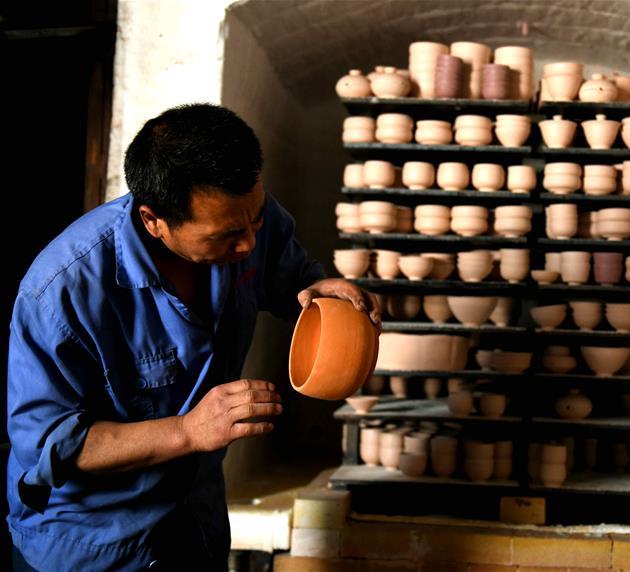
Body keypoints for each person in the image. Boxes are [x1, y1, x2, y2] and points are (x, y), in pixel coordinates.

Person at [6, 103, 380, 571]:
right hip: (94, 543)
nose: (248, 244)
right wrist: (187, 430)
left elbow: (290, 277)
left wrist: (321, 289)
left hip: (195, 520)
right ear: (153, 221)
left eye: (256, 222)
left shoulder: (243, 215)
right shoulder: (61, 291)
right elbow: (50, 444)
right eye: (228, 236)